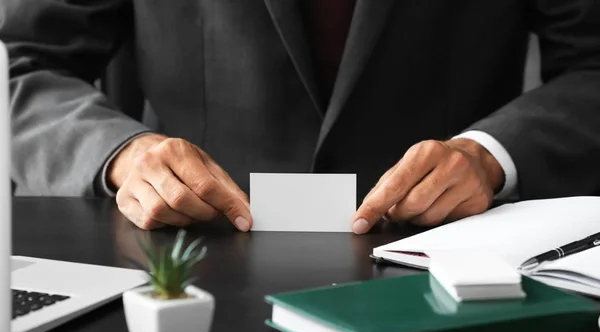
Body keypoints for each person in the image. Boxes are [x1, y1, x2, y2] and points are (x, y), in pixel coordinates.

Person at [2, 0, 600, 234]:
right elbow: (21, 63)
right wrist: (124, 155)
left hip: (447, 266)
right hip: (185, 266)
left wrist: (490, 154)